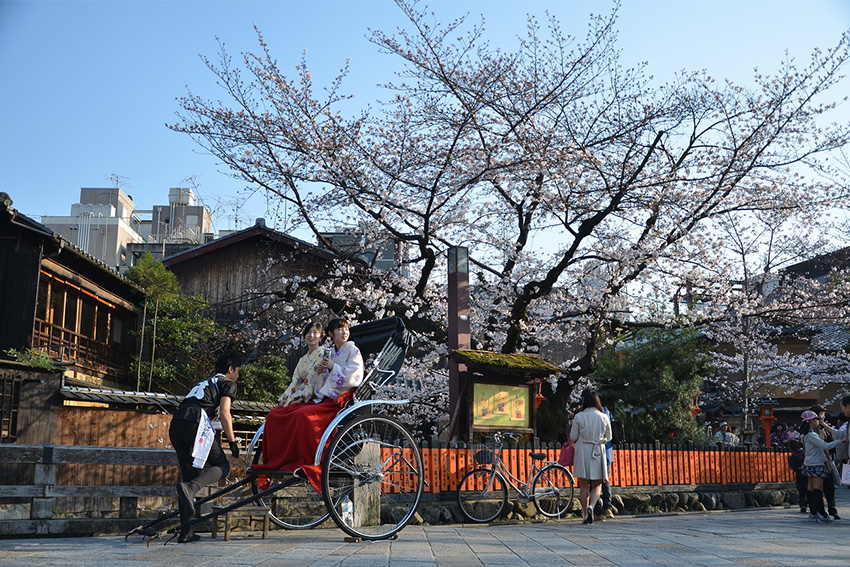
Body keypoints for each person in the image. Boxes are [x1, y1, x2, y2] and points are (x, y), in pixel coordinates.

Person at [252, 318, 364, 492]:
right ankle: (280, 460)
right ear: (331, 334)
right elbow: (310, 382)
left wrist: (332, 368)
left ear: (321, 336)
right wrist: (322, 373)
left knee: (303, 416)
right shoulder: (330, 353)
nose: (344, 333)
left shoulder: (352, 350)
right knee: (276, 414)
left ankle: (307, 460)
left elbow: (353, 377)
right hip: (323, 397)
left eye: (346, 329)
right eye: (340, 330)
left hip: (339, 399)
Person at [168, 351, 241, 543]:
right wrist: (232, 442)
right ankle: (192, 489)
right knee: (222, 467)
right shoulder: (228, 383)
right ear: (231, 369)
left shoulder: (204, 382)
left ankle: (186, 532)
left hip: (176, 424)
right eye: (237, 371)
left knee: (189, 477)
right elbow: (225, 412)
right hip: (196, 423)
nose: (238, 376)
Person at [569, 388, 612, 525]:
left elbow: (573, 437)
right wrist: (601, 441)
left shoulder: (579, 417)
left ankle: (585, 513)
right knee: (597, 484)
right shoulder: (603, 416)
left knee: (583, 485)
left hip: (582, 450)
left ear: (584, 400)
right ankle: (592, 506)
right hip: (598, 450)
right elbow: (609, 437)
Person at [799, 410, 847, 523]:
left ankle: (813, 512)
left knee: (810, 489)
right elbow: (825, 445)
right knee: (818, 489)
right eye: (815, 419)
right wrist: (840, 441)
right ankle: (822, 513)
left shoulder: (806, 435)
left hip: (809, 464)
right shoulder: (812, 435)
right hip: (816, 464)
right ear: (810, 421)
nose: (817, 421)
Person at [810, 404, 840, 518]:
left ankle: (832, 509)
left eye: (822, 414)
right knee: (816, 487)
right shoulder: (812, 431)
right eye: (820, 414)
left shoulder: (825, 428)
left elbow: (832, 440)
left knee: (830, 487)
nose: (821, 416)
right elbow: (824, 446)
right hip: (818, 461)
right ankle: (817, 510)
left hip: (828, 460)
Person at [787, 439, 807, 514]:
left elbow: (792, 466)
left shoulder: (791, 457)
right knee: (808, 488)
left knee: (801, 489)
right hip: (807, 472)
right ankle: (809, 503)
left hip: (799, 473)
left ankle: (802, 505)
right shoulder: (805, 453)